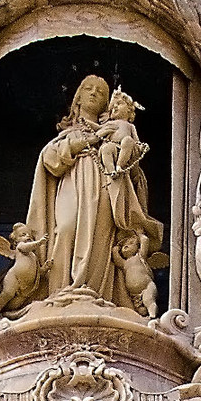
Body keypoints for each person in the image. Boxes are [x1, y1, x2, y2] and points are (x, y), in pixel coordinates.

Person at [19, 75, 164, 309]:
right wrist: (87, 141)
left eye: (100, 91)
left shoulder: (116, 129)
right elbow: (50, 161)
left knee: (101, 236)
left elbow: (132, 169)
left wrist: (125, 156)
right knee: (65, 227)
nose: (94, 93)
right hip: (73, 181)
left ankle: (95, 293)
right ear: (78, 97)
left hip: (106, 185)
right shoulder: (71, 133)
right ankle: (60, 292)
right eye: (88, 88)